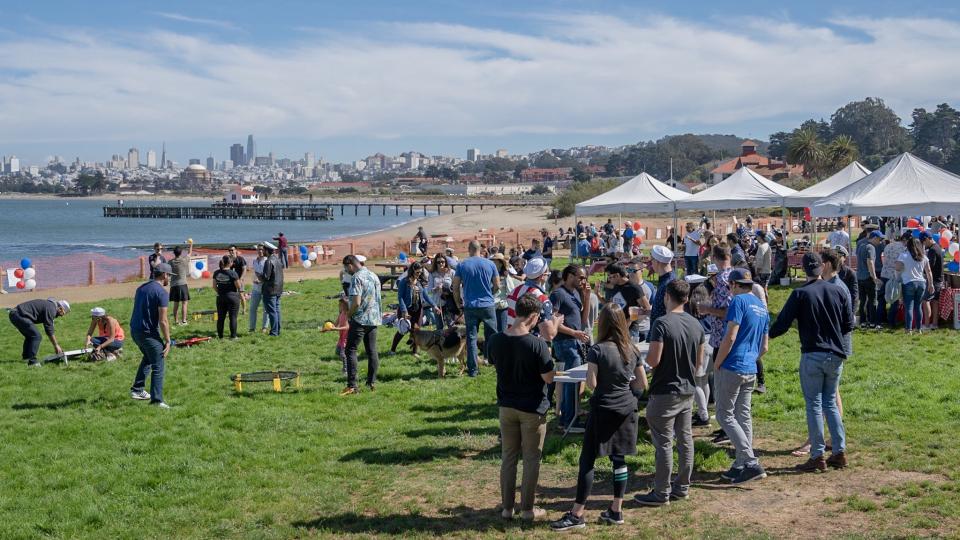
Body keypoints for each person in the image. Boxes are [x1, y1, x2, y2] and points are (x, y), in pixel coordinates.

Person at [550, 304, 646, 531]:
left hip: (603, 408)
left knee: (588, 460)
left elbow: (592, 383)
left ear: (601, 323)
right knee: (619, 459)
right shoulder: (631, 349)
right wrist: (624, 386)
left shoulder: (598, 349)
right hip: (626, 408)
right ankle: (616, 509)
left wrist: (606, 382)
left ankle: (577, 514)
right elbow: (642, 384)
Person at [769, 252, 854, 471]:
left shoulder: (800, 294)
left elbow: (782, 323)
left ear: (805, 269)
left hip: (813, 353)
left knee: (815, 404)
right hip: (836, 354)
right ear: (822, 267)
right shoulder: (838, 290)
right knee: (831, 403)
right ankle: (839, 450)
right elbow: (848, 324)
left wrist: (766, 336)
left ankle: (817, 455)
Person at [635, 280, 704, 506]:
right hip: (687, 389)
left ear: (666, 297)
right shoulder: (696, 324)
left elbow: (654, 360)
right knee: (685, 440)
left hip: (665, 390)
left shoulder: (662, 324)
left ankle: (661, 492)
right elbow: (699, 364)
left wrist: (641, 361)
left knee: (663, 443)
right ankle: (682, 486)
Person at [487, 295, 556, 522]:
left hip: (506, 406)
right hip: (532, 409)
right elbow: (548, 377)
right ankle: (527, 509)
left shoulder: (496, 340)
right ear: (534, 316)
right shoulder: (537, 344)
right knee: (531, 459)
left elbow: (495, 363)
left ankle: (507, 508)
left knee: (508, 457)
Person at [712, 269, 769, 484]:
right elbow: (764, 347)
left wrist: (718, 362)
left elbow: (730, 335)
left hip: (732, 365)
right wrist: (751, 357)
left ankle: (751, 462)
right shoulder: (762, 308)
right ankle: (740, 464)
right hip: (750, 368)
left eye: (729, 286)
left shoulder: (738, 302)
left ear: (735, 285)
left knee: (724, 415)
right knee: (743, 415)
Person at [549, 264, 592, 433]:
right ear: (570, 276)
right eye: (581, 277)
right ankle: (569, 421)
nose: (583, 281)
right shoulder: (558, 294)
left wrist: (587, 296)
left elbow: (583, 320)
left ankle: (568, 418)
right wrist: (574, 333)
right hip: (565, 343)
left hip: (575, 342)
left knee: (574, 382)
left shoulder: (575, 293)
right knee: (571, 383)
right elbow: (552, 323)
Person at [452, 240, 501, 377]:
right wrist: (490, 294)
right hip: (487, 305)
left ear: (469, 249)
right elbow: (497, 285)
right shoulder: (490, 264)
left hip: (470, 306)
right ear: (481, 250)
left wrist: (458, 302)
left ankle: (473, 370)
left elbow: (455, 286)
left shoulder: (462, 265)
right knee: (493, 336)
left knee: (471, 338)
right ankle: (497, 363)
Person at [129, 262, 173, 408]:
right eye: (169, 276)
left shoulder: (141, 288)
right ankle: (157, 401)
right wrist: (167, 341)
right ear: (164, 275)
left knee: (148, 357)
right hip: (147, 333)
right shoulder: (161, 293)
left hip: (135, 331)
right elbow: (163, 320)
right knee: (158, 363)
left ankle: (137, 389)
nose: (170, 279)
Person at [340, 255, 383, 395]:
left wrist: (348, 315)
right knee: (371, 350)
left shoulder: (357, 277)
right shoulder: (373, 275)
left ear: (350, 265)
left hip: (360, 319)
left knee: (350, 350)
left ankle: (352, 386)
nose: (347, 271)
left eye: (346, 268)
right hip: (373, 318)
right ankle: (371, 382)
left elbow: (356, 302)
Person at [506, 258, 560, 340]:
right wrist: (557, 322)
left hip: (511, 339)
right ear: (542, 276)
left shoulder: (514, 291)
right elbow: (549, 335)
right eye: (547, 274)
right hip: (531, 344)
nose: (548, 276)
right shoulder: (541, 299)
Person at [8, 298, 70, 366]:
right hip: (19, 315)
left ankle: (26, 358)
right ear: (60, 308)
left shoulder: (50, 306)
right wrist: (56, 345)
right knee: (36, 336)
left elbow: (49, 327)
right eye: (63, 313)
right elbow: (49, 329)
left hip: (15, 314)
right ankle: (32, 362)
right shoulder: (51, 309)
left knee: (30, 336)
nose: (62, 315)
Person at [391, 261, 433, 355]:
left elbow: (426, 296)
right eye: (417, 272)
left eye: (420, 272)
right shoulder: (404, 282)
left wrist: (434, 306)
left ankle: (414, 352)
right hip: (406, 310)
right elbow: (400, 297)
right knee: (403, 331)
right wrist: (404, 311)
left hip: (418, 310)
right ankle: (392, 350)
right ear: (412, 271)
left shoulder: (419, 283)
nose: (419, 274)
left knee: (416, 331)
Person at [601, 263, 650, 342]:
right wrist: (597, 295)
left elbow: (647, 309)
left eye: (610, 277)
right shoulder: (615, 286)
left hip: (630, 332)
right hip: (615, 329)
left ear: (617, 275)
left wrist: (630, 319)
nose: (609, 280)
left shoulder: (634, 288)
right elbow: (610, 306)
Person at [896, 237, 934, 334]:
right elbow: (928, 271)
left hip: (908, 282)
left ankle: (908, 329)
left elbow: (898, 268)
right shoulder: (924, 257)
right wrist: (931, 284)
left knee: (909, 307)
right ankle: (919, 328)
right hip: (921, 283)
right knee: (918, 307)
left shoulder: (903, 255)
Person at [880, 231, 910, 326]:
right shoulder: (904, 249)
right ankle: (891, 321)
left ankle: (880, 319)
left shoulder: (888, 245)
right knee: (894, 299)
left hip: (884, 273)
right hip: (894, 276)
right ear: (905, 240)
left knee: (882, 299)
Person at [647, 245, 676, 342]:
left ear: (657, 262)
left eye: (652, 260)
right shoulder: (665, 279)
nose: (651, 263)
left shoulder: (669, 283)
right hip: (658, 335)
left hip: (663, 338)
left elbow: (672, 313)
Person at [856, 231, 883, 328]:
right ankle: (872, 322)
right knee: (872, 301)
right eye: (880, 239)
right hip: (868, 277)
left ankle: (863, 321)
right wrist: (874, 277)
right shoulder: (871, 247)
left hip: (860, 276)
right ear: (875, 238)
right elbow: (870, 262)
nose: (880, 242)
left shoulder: (861, 245)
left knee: (862, 300)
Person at [212, 255, 242, 339]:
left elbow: (214, 286)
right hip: (232, 297)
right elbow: (238, 286)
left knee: (221, 318)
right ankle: (233, 336)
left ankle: (220, 336)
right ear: (230, 263)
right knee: (233, 317)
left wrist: (220, 292)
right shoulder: (233, 273)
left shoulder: (216, 272)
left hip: (220, 297)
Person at [321, 295, 351, 375]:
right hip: (341, 337)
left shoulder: (348, 315)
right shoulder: (341, 314)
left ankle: (346, 370)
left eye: (341, 305)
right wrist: (326, 329)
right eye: (339, 305)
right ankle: (349, 361)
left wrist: (336, 329)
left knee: (343, 354)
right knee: (338, 352)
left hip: (346, 337)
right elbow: (335, 324)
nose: (339, 307)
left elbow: (347, 327)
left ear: (346, 306)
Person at [921, 231, 944, 330]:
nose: (923, 244)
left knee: (925, 300)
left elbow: (930, 266)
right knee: (935, 302)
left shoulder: (932, 250)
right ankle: (934, 324)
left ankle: (926, 325)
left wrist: (923, 272)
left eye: (923, 242)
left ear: (927, 239)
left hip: (933, 280)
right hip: (939, 279)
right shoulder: (937, 247)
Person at [260, 241, 284, 336]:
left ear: (266, 250)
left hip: (270, 290)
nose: (263, 252)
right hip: (278, 289)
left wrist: (259, 276)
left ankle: (274, 332)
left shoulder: (269, 261)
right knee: (277, 310)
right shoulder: (277, 259)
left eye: (264, 250)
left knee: (272, 311)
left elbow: (266, 277)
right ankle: (277, 330)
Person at [492, 254, 520, 332]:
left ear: (500, 263)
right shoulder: (490, 275)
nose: (493, 263)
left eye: (495, 262)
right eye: (492, 261)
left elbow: (511, 290)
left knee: (502, 330)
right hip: (491, 306)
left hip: (501, 306)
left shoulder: (505, 276)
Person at [428, 252, 456, 330]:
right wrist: (436, 288)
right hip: (437, 303)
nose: (441, 264)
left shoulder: (452, 272)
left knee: (451, 326)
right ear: (435, 263)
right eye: (438, 262)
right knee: (439, 327)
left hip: (449, 303)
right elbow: (429, 290)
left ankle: (452, 342)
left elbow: (456, 287)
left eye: (442, 261)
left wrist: (446, 289)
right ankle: (440, 342)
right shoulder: (432, 274)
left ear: (446, 262)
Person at [168, 243, 193, 325]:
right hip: (182, 284)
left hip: (174, 285)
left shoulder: (170, 262)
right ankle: (184, 321)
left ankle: (176, 321)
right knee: (184, 303)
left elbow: (168, 272)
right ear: (181, 253)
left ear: (174, 253)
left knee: (176, 303)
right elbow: (189, 253)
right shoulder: (184, 260)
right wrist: (191, 244)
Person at [248, 244, 271, 333]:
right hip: (256, 289)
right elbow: (256, 273)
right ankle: (251, 328)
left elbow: (268, 276)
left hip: (265, 288)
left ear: (264, 250)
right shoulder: (255, 261)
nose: (260, 251)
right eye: (258, 249)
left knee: (266, 309)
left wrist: (261, 281)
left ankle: (264, 327)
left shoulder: (267, 261)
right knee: (253, 308)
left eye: (262, 249)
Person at [227, 245, 248, 314]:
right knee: (232, 296)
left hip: (239, 280)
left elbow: (244, 269)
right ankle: (234, 310)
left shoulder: (240, 259)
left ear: (236, 250)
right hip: (231, 281)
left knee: (241, 295)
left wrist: (241, 279)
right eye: (229, 250)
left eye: (232, 250)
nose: (231, 252)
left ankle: (244, 310)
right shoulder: (228, 260)